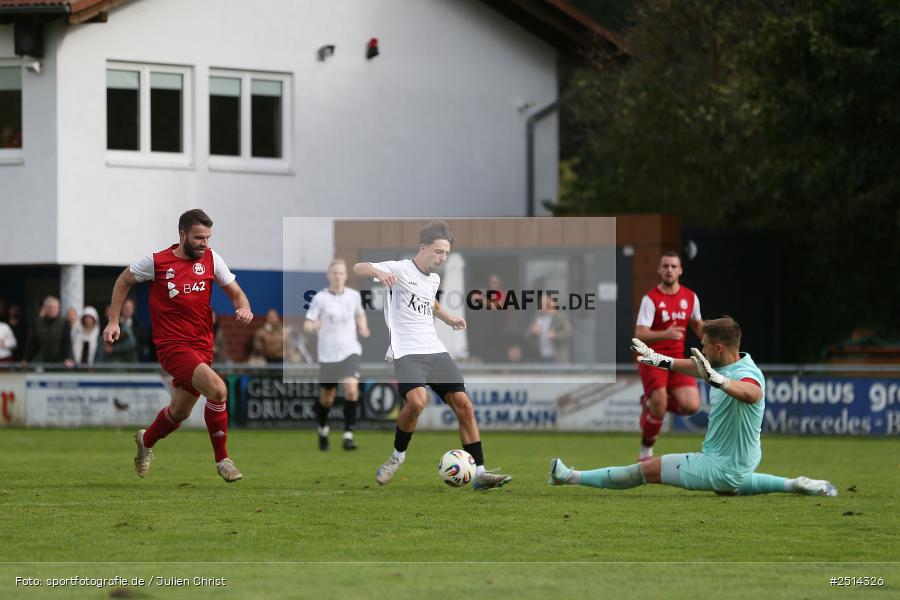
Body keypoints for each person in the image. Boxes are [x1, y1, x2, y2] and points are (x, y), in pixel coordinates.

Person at [549, 316, 837, 497]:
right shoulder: (727, 365)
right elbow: (684, 365)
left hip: (720, 465)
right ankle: (797, 484)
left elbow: (752, 394)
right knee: (731, 486)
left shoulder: (744, 375)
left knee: (645, 470)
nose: (700, 349)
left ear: (719, 348)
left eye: (705, 345)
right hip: (740, 464)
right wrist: (654, 358)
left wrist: (718, 381)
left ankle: (569, 477)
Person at [353, 220, 511, 490]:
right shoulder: (401, 268)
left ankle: (481, 473)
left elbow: (431, 301)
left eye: (446, 253)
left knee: (464, 405)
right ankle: (396, 457)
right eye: (439, 251)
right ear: (423, 247)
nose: (442, 258)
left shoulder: (434, 279)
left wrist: (449, 318)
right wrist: (379, 273)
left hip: (435, 351)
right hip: (407, 352)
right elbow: (359, 268)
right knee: (416, 403)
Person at [102, 209, 253, 483]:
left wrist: (243, 307)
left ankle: (145, 440)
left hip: (202, 347)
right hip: (173, 347)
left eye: (207, 237)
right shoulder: (157, 262)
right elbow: (123, 280)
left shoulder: (211, 259)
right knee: (218, 390)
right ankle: (223, 460)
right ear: (183, 234)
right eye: (198, 237)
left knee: (179, 412)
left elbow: (236, 293)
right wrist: (114, 322)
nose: (204, 243)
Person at [634, 251, 704, 461]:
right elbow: (639, 334)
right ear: (659, 270)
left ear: (680, 270)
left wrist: (713, 343)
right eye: (665, 266)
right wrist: (665, 334)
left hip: (676, 360)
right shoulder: (651, 299)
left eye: (673, 266)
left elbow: (697, 324)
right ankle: (646, 451)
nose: (669, 270)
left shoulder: (690, 297)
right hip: (652, 359)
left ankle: (652, 403)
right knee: (660, 404)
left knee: (692, 406)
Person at [304, 259, 370, 451]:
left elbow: (360, 314)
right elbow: (307, 325)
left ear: (346, 276)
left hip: (350, 351)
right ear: (328, 275)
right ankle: (323, 430)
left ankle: (348, 436)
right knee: (327, 399)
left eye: (341, 273)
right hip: (328, 355)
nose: (338, 276)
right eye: (334, 273)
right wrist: (313, 327)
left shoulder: (354, 296)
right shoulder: (320, 298)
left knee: (351, 390)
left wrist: (363, 326)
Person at [24, 296, 74, 367]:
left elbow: (66, 342)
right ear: (44, 308)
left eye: (55, 307)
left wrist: (68, 358)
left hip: (60, 361)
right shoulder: (37, 323)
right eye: (50, 307)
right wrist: (26, 359)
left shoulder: (64, 322)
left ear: (58, 309)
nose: (52, 310)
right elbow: (33, 342)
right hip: (42, 360)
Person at [526, 294, 573, 363]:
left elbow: (569, 332)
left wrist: (556, 335)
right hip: (539, 356)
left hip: (556, 356)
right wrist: (533, 331)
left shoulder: (560, 317)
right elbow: (527, 334)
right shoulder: (537, 317)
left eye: (547, 304)